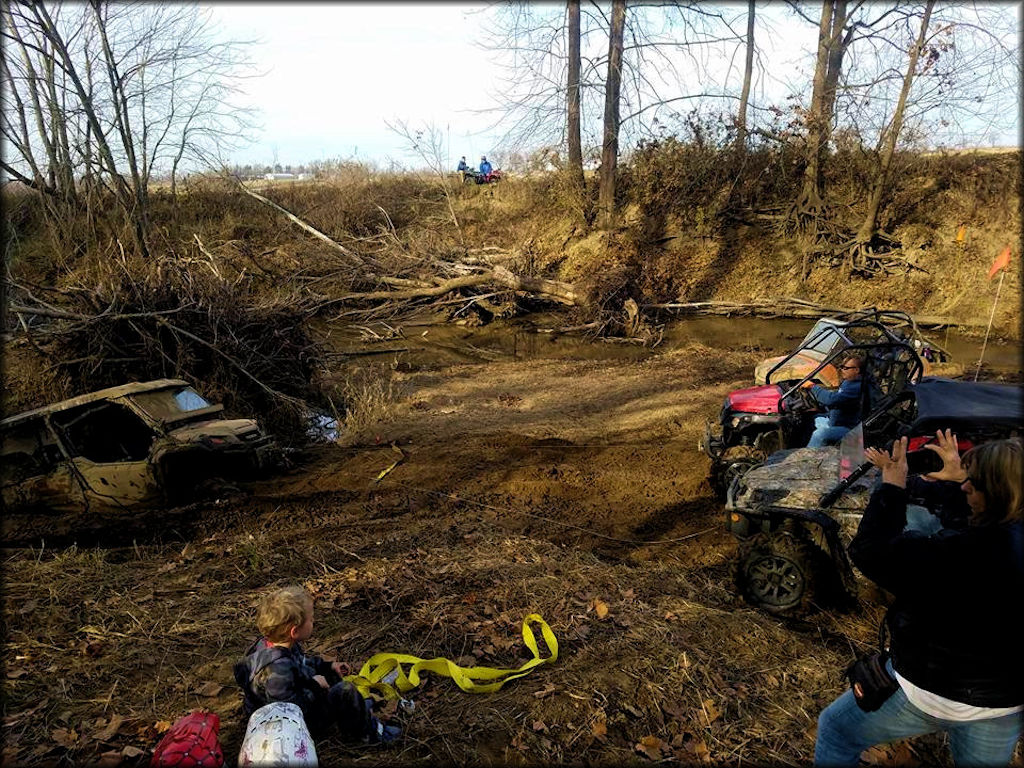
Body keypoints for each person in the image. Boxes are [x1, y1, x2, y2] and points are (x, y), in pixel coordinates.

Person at [814, 433, 1024, 767]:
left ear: (999, 492)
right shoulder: (999, 536)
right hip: (1005, 703)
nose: (966, 488)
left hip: (931, 691)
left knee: (836, 730)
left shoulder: (959, 554)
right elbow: (981, 529)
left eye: (976, 483)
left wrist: (892, 486)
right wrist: (958, 483)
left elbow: (871, 552)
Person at [233, 585, 401, 745]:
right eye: (311, 619)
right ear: (295, 631)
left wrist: (327, 667)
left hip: (289, 701)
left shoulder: (275, 645)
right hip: (288, 725)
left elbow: (302, 663)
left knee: (333, 677)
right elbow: (289, 710)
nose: (314, 621)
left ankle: (355, 709)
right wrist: (314, 685)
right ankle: (369, 733)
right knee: (345, 691)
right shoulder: (276, 671)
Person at [802, 353, 863, 447]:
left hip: (849, 429)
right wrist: (822, 411)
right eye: (842, 367)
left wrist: (812, 386)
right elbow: (839, 403)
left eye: (846, 368)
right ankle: (805, 447)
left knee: (819, 434)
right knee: (810, 418)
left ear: (856, 370)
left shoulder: (856, 386)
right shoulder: (848, 382)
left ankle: (807, 459)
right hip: (837, 421)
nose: (842, 370)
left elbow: (831, 400)